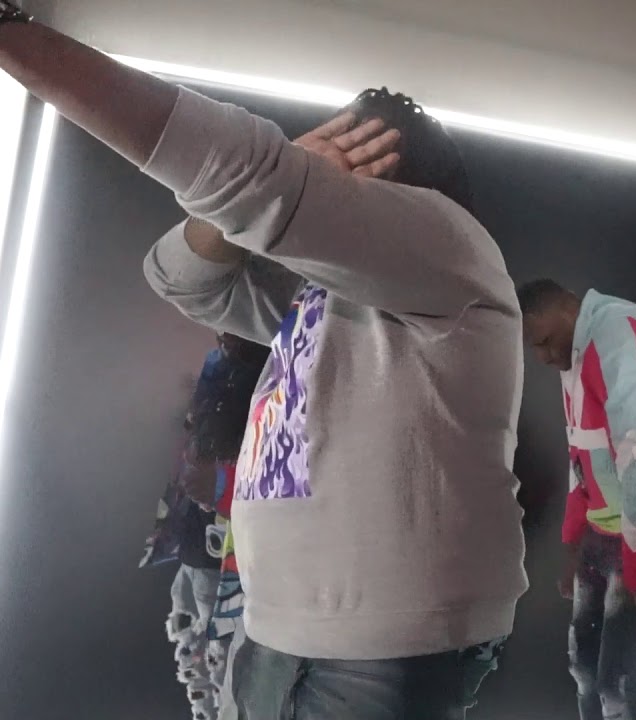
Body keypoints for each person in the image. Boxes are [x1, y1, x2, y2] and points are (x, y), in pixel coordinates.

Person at [0, 10, 528, 718]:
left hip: (381, 648)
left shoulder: (451, 245)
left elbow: (252, 181)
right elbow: (180, 279)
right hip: (275, 628)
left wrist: (17, 40)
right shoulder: (323, 297)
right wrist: (263, 196)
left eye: (350, 156)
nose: (326, 173)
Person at [518, 279, 636, 720]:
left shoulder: (615, 338)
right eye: (534, 348)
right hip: (602, 533)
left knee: (620, 681)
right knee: (585, 670)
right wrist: (573, 541)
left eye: (545, 341)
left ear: (571, 309)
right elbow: (581, 453)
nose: (542, 357)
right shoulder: (577, 353)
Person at [141, 333, 269, 720]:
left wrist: (219, 486)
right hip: (196, 546)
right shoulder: (215, 370)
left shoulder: (266, 377)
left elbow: (273, 475)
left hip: (226, 556)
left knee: (222, 658)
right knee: (193, 649)